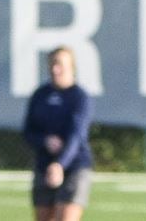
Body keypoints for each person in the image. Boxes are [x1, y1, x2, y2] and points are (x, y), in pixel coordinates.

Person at [23, 46, 94, 221]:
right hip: (44, 164)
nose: (55, 69)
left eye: (60, 64)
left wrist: (60, 164)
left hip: (74, 165)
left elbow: (76, 136)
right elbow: (28, 131)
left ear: (72, 67)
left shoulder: (79, 97)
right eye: (52, 64)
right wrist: (44, 141)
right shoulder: (40, 95)